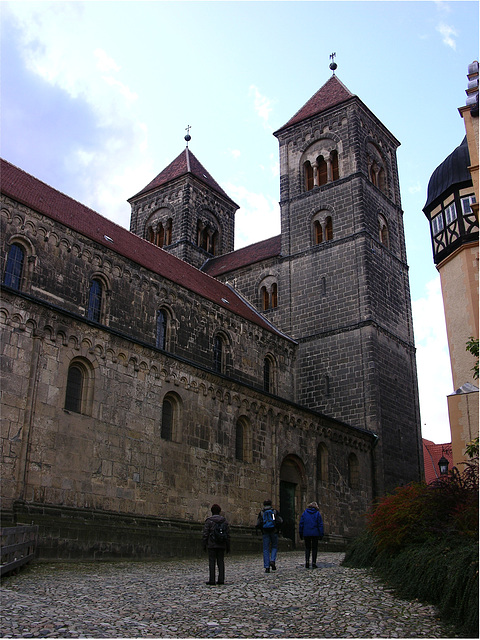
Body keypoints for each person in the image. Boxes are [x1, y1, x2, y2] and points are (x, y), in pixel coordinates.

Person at [202, 504, 230, 585]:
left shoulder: (209, 521)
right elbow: (227, 534)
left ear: (212, 512)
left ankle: (212, 580)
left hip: (212, 544)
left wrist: (204, 544)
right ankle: (221, 579)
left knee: (212, 562)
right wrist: (228, 545)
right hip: (221, 544)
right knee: (221, 562)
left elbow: (205, 533)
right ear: (219, 511)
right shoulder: (224, 521)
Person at [255, 499, 283, 573]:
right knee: (274, 546)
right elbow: (280, 521)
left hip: (265, 532)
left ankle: (267, 567)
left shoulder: (262, 512)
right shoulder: (274, 512)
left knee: (266, 549)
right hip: (274, 531)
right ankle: (272, 560)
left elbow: (258, 523)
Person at [299, 501, 324, 568]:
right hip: (315, 533)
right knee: (314, 548)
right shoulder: (317, 514)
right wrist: (321, 534)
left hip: (306, 533)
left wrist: (301, 533)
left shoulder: (305, 513)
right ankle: (313, 562)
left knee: (307, 548)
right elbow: (320, 525)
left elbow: (301, 523)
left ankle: (307, 561)